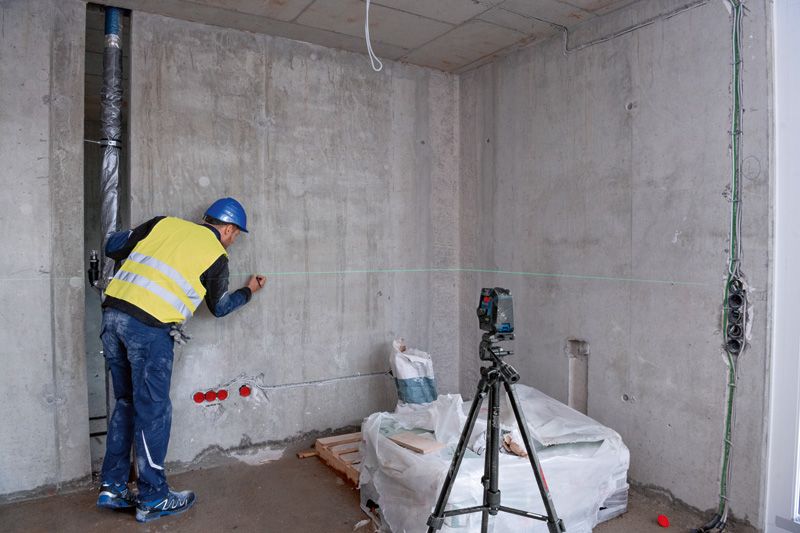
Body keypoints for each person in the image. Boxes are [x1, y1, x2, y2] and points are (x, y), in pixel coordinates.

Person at [95, 197, 265, 523]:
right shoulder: (217, 256)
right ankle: (154, 497)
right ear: (228, 229)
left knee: (127, 404)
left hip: (113, 318)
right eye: (235, 235)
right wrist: (249, 291)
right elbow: (219, 308)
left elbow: (112, 247)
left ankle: (113, 487)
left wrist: (138, 243)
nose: (233, 241)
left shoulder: (164, 223)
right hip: (149, 330)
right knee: (153, 412)